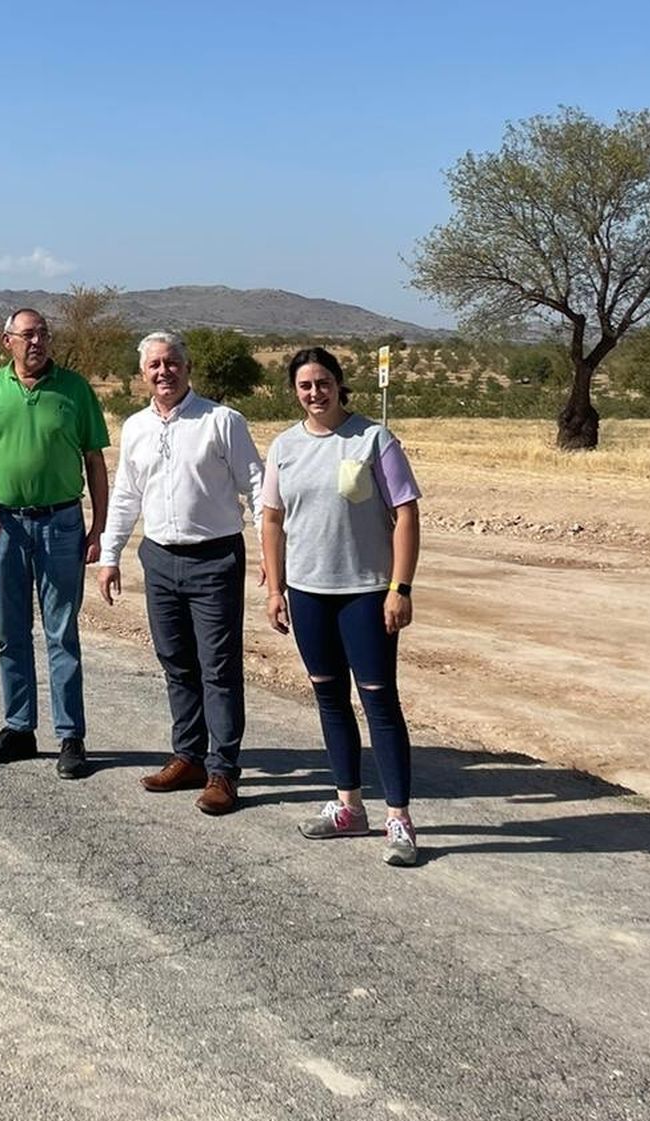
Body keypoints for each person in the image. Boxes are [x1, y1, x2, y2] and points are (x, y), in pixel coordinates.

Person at [260, 346, 423, 866]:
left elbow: (405, 513)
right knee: (329, 698)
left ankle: (398, 819)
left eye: (323, 383)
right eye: (305, 385)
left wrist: (400, 587)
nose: (315, 393)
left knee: (379, 701)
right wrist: (275, 589)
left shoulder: (374, 438)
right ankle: (348, 807)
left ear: (339, 384)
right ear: (295, 391)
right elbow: (270, 519)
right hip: (308, 593)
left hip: (367, 592)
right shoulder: (284, 446)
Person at [96, 332, 263, 817]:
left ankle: (222, 771)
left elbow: (256, 486)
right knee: (176, 663)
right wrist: (111, 556)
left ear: (187, 368)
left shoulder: (221, 421)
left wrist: (275, 555)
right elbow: (126, 495)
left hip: (215, 559)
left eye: (171, 362)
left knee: (219, 668)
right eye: (154, 365)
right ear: (142, 374)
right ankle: (188, 756)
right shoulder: (135, 428)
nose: (163, 371)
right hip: (159, 558)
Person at [0, 309, 110, 780]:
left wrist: (98, 528)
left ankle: (70, 736)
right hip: (4, 527)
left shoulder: (74, 389)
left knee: (63, 633)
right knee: (10, 630)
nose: (38, 341)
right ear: (7, 342)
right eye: (28, 334)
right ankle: (19, 728)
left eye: (43, 334)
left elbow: (94, 461)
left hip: (61, 524)